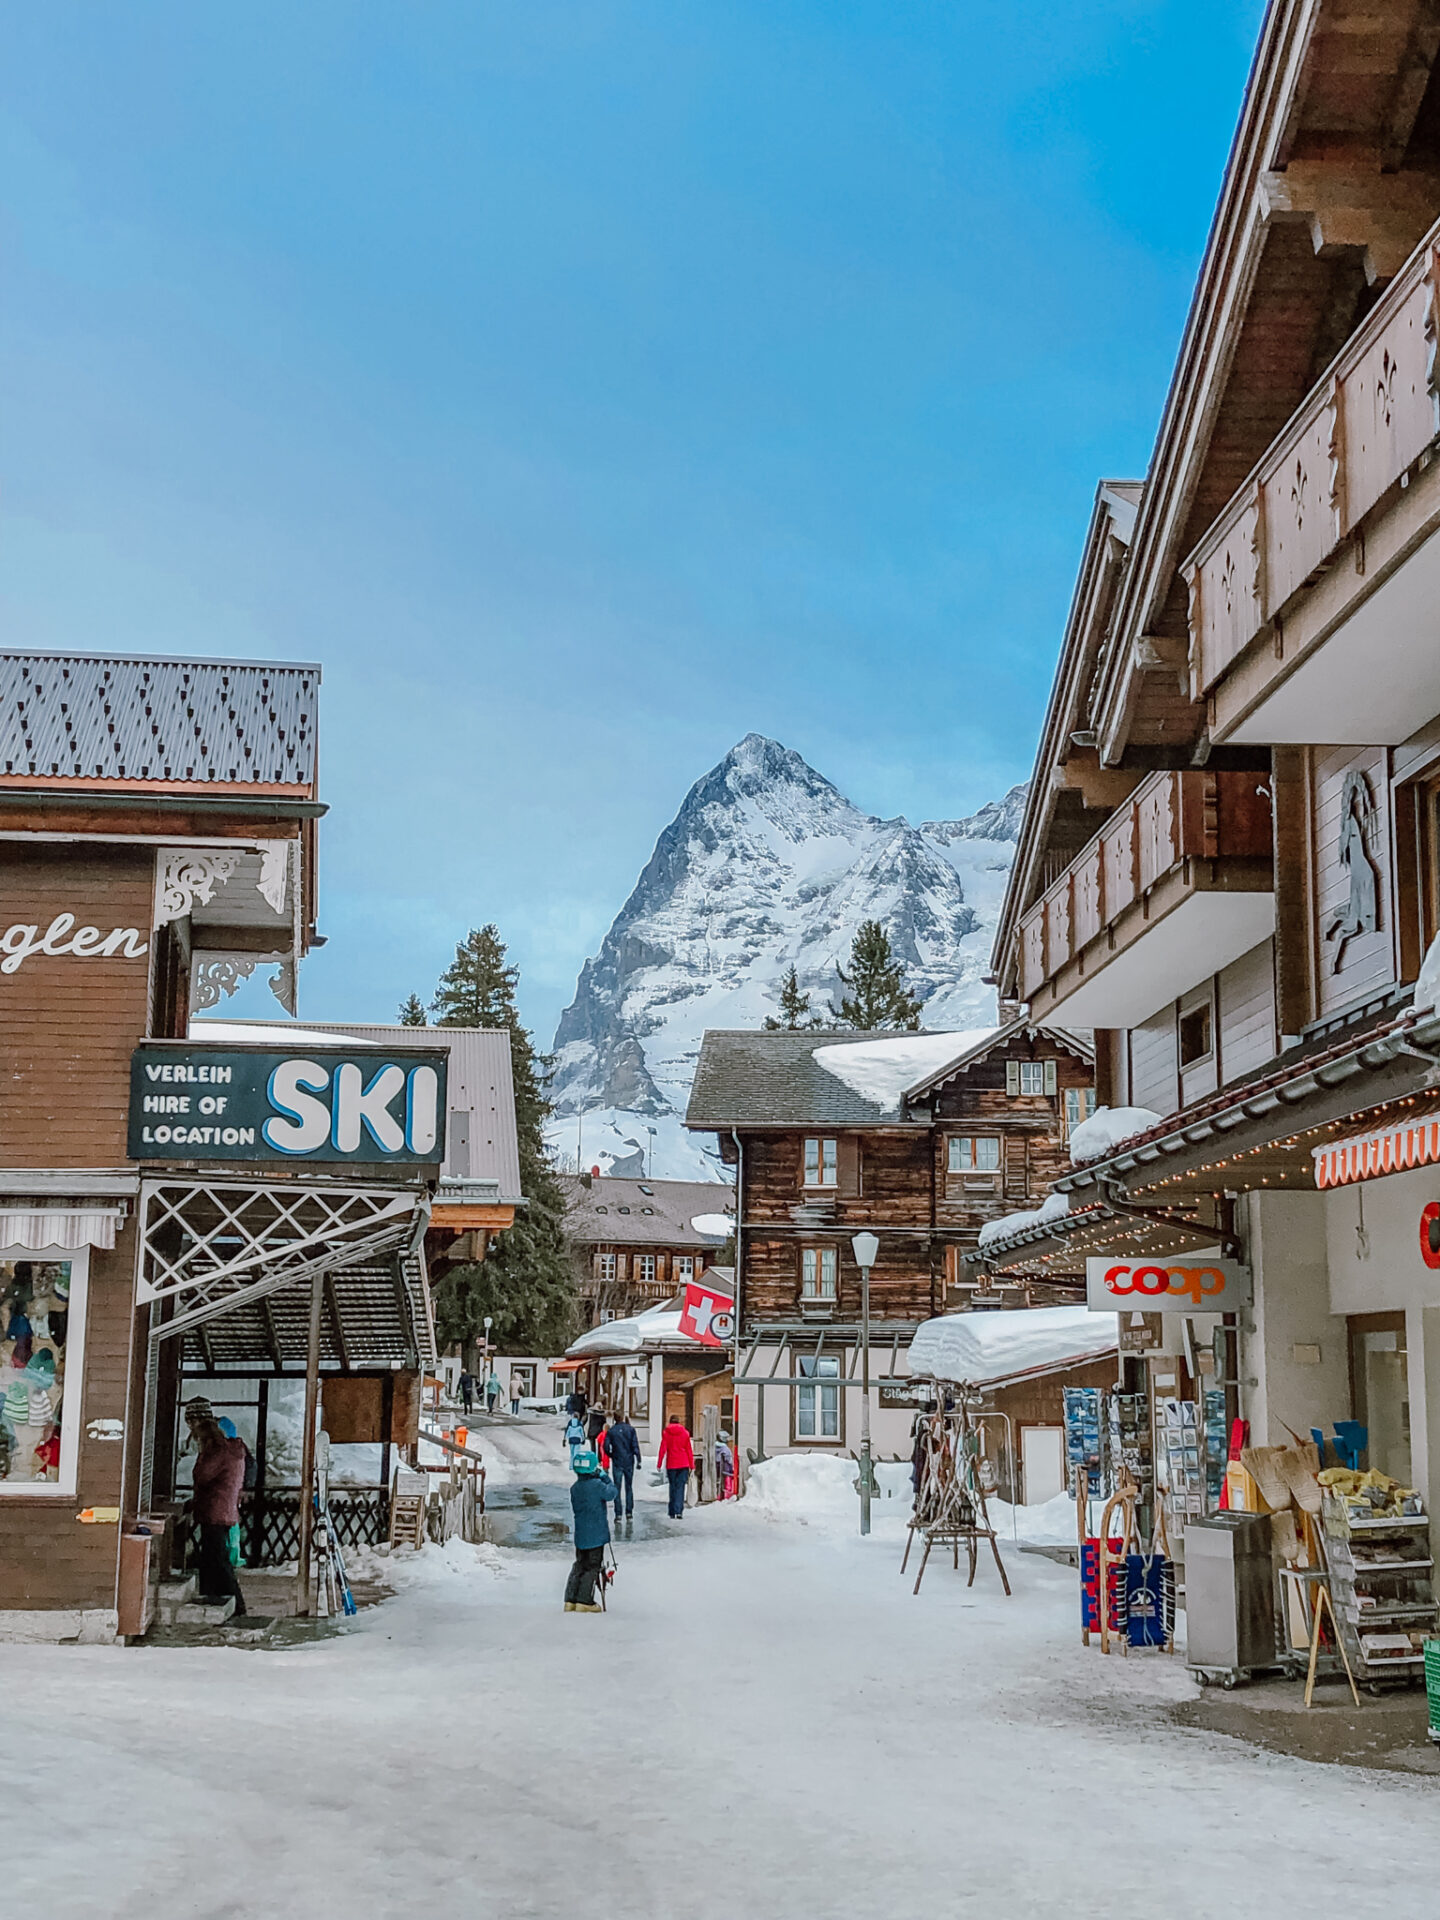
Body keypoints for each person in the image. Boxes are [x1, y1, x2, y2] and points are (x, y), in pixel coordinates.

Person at [190, 1413, 248, 1616]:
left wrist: (202, 1455)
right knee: (211, 1558)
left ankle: (236, 1604)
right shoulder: (234, 1452)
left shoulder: (217, 1453)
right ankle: (213, 1597)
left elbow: (201, 1475)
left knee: (218, 1559)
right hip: (225, 1509)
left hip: (215, 1509)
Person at [565, 1449, 616, 1613]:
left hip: (581, 1534)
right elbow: (612, 1492)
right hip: (596, 1534)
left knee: (579, 1564)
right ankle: (584, 1600)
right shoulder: (598, 1485)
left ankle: (570, 1600)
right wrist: (605, 1476)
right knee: (593, 1566)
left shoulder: (575, 1488)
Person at [656, 1416, 695, 1518]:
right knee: (680, 1487)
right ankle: (679, 1511)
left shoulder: (666, 1433)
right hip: (684, 1463)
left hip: (672, 1464)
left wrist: (659, 1463)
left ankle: (672, 1511)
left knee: (672, 1487)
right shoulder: (685, 1433)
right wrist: (692, 1465)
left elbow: (663, 1449)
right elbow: (689, 1450)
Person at [606, 1411, 641, 1520]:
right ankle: (629, 1511)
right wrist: (638, 1459)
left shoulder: (611, 1431)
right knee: (629, 1487)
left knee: (617, 1487)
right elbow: (635, 1445)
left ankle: (618, 1513)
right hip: (629, 1460)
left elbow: (606, 1446)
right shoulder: (631, 1430)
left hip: (617, 1460)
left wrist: (611, 1455)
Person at [715, 1431, 735, 1500]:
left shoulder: (714, 1447)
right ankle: (726, 1494)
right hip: (726, 1470)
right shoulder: (725, 1449)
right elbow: (729, 1460)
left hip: (716, 1469)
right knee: (727, 1480)